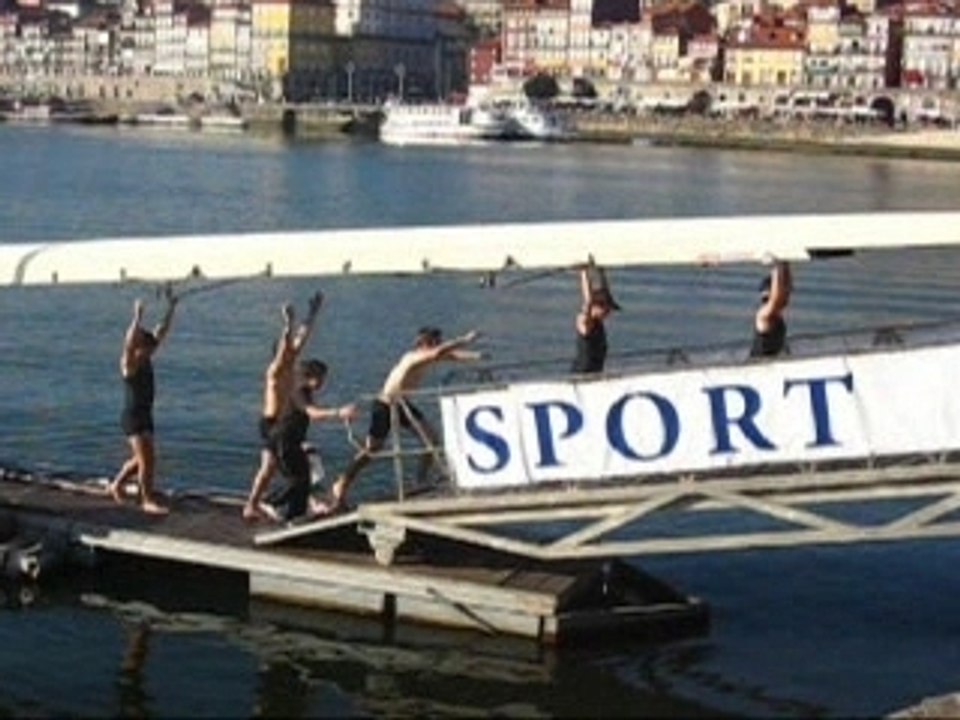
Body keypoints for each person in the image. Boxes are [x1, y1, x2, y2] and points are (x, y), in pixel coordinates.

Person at [328, 327, 482, 513]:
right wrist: (465, 339)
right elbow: (441, 352)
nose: (439, 344)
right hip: (385, 405)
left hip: (402, 405)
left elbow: (450, 356)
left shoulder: (428, 355)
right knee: (371, 450)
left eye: (440, 341)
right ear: (425, 343)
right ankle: (341, 484)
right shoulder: (413, 357)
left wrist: (477, 356)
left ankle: (419, 480)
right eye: (436, 341)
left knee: (432, 440)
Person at [243, 291, 325, 522]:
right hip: (271, 425)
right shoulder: (276, 371)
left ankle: (256, 504)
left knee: (272, 468)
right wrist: (287, 324)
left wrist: (313, 312)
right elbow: (285, 347)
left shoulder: (292, 365)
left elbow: (303, 336)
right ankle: (258, 504)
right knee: (272, 468)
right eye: (288, 349)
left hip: (282, 425)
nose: (293, 351)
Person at [108, 286, 178, 515]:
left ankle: (117, 484)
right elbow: (129, 342)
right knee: (148, 460)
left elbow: (162, 332)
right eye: (146, 348)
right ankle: (146, 499)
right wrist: (137, 316)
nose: (150, 351)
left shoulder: (145, 357)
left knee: (141, 459)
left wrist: (171, 307)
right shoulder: (129, 363)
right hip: (133, 417)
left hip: (145, 414)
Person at [262, 359, 357, 522]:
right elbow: (312, 413)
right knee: (297, 480)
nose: (323, 383)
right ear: (311, 377)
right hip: (284, 440)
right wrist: (338, 412)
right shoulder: (299, 392)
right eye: (322, 378)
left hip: (293, 441)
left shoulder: (304, 392)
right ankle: (269, 502)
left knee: (304, 481)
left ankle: (295, 515)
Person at [571, 258, 621, 374]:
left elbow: (605, 292)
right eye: (605, 309)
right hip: (582, 375)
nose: (608, 313)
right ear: (595, 307)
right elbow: (588, 300)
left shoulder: (598, 322)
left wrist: (601, 271)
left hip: (595, 375)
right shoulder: (585, 323)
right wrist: (583, 272)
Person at [750, 257, 792, 358]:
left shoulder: (777, 313)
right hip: (761, 370)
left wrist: (785, 264)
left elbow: (784, 294)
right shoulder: (763, 315)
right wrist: (777, 268)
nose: (786, 294)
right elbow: (776, 300)